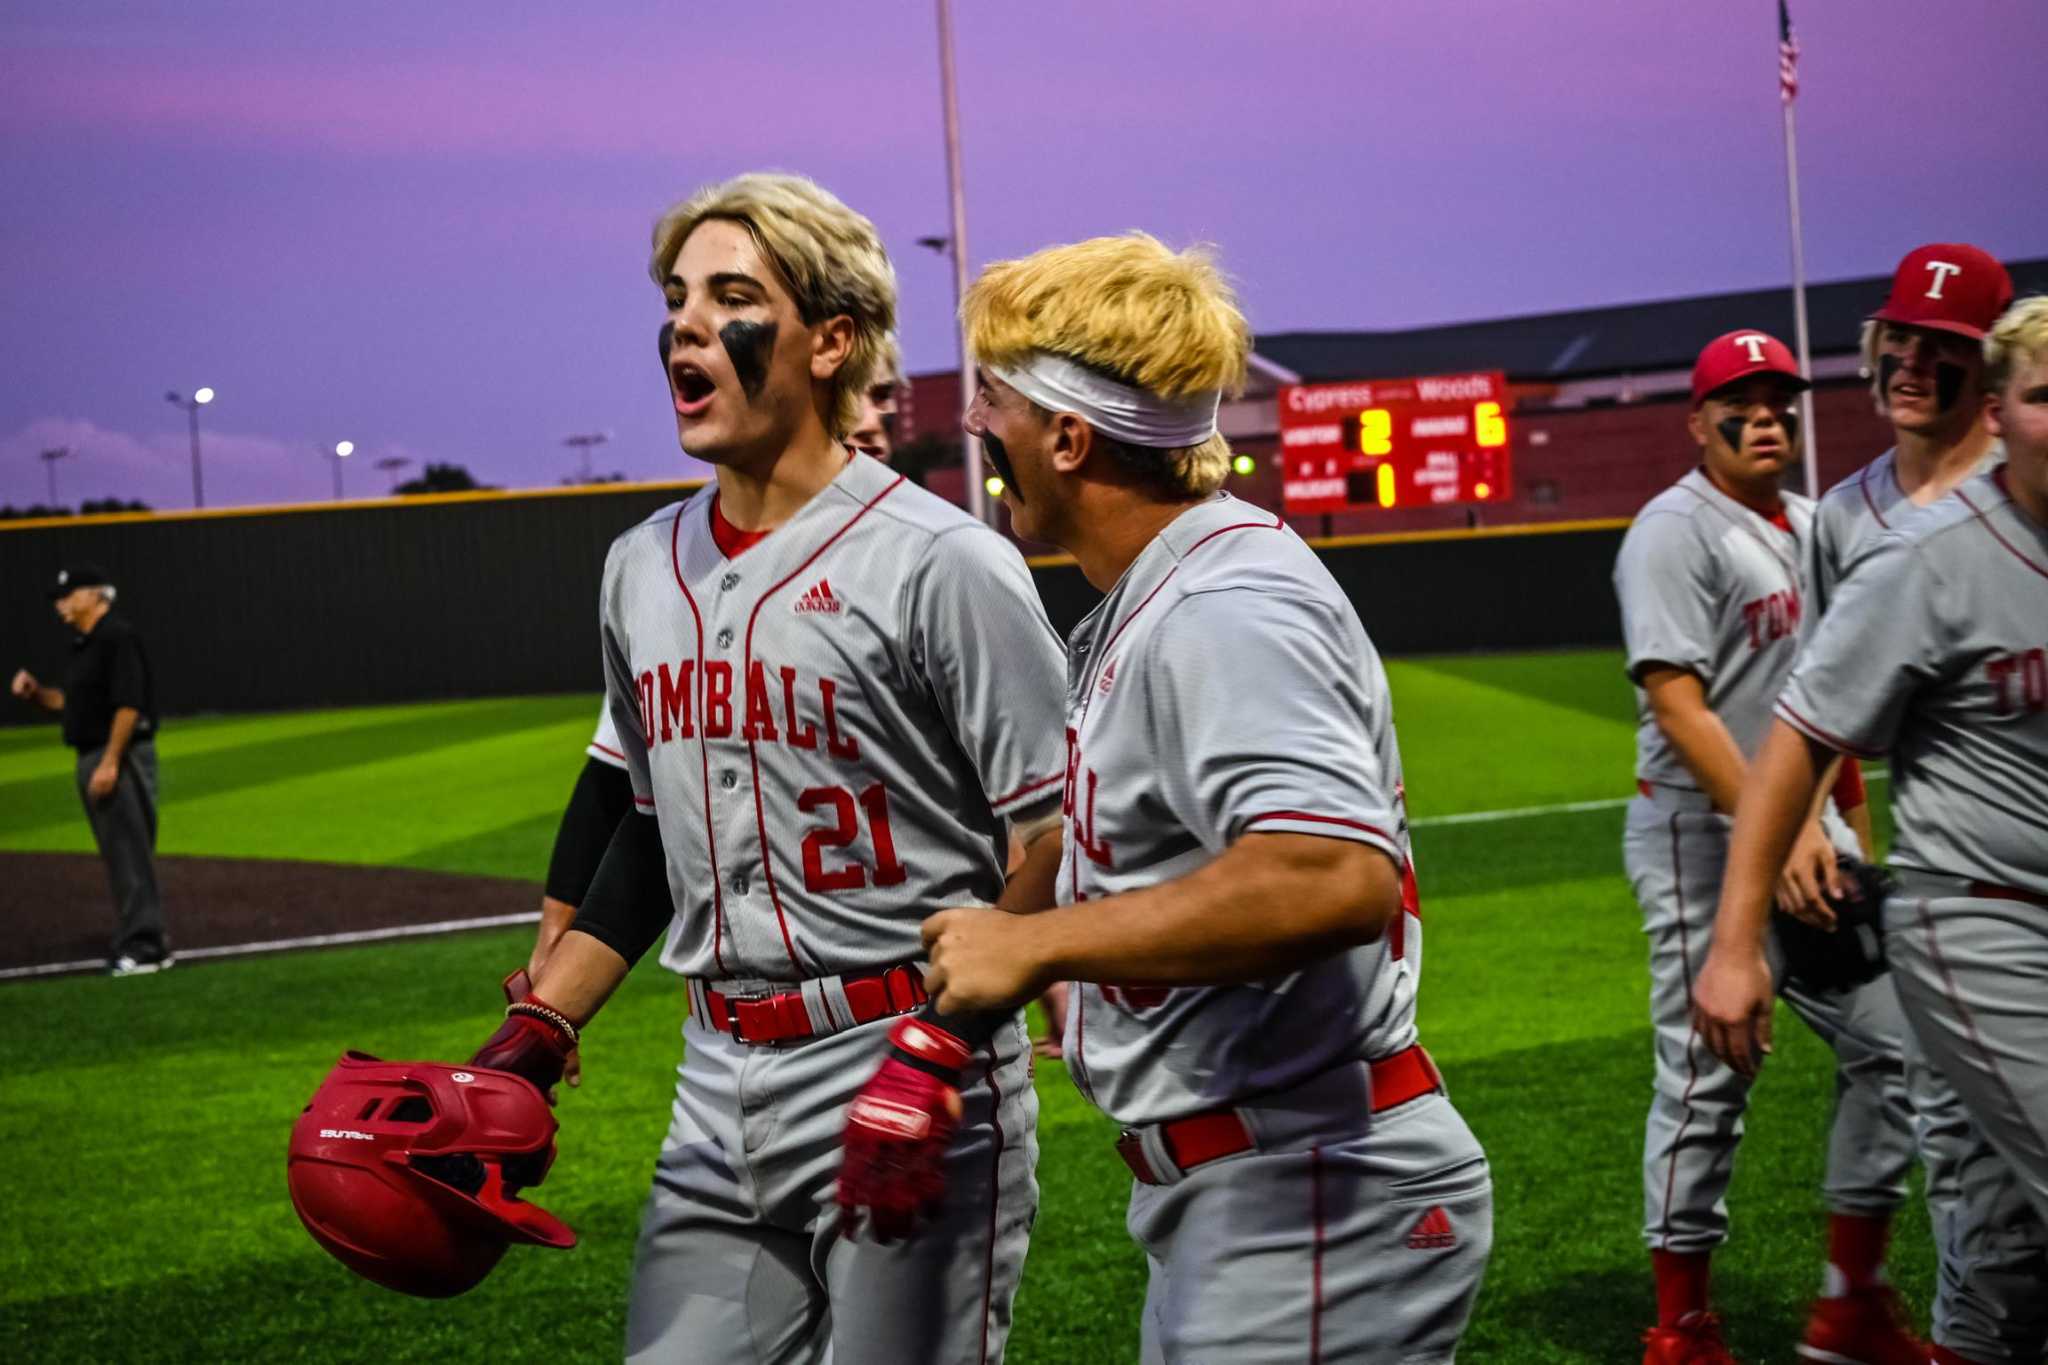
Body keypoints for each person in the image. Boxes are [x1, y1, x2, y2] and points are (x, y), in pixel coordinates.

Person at [467, 172, 1069, 1363]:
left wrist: (944, 1050)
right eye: (677, 298)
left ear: (830, 340)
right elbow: (649, 827)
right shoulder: (640, 566)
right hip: (714, 1081)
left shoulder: (942, 563)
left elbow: (1057, 834)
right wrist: (540, 1027)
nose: (686, 323)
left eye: (731, 296)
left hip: (908, 1069)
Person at [918, 231, 1493, 1363]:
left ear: (1071, 438)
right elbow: (1102, 844)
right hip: (1262, 1189)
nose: (982, 427)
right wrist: (948, 1017)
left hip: (1314, 1191)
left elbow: (1329, 878)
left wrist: (1037, 952)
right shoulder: (1163, 589)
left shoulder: (1220, 607)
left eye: (998, 403)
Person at [1694, 296, 2048, 1365]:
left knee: (1997, 1246)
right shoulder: (1925, 557)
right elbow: (1794, 734)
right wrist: (1730, 944)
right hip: (1974, 921)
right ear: (1999, 413)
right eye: (2042, 395)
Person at [1611, 333, 1928, 1365]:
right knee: (1708, 1073)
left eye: (1778, 403)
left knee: (1898, 1047)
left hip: (1807, 828)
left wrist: (1842, 830)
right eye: (1738, 405)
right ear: (1696, 422)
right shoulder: (1670, 530)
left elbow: (1825, 704)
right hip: (1695, 835)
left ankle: (1850, 1300)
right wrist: (1777, 828)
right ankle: (1679, 1325)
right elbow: (1677, 701)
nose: (1764, 419)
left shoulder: (1808, 524)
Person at [1795, 240, 2015, 1356]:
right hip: (1950, 884)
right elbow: (1815, 710)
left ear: (1987, 368)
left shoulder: (2020, 487)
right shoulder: (1840, 517)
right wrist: (1809, 826)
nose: (1914, 363)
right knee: (1957, 1150)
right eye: (1901, 340)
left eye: (1945, 347)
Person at [10, 564, 172, 976]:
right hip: (95, 753)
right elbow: (72, 704)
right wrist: (37, 695)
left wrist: (111, 761)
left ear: (94, 596)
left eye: (68, 595)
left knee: (128, 850)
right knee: (118, 852)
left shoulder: (116, 636)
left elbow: (129, 704)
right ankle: (136, 935)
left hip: (115, 754)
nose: (61, 604)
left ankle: (147, 945)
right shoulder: (87, 644)